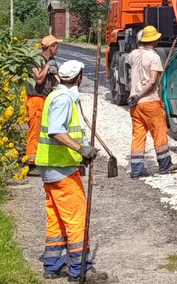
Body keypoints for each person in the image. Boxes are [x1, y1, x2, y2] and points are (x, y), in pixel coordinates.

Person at [35, 59, 108, 283]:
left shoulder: (54, 96)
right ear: (79, 78)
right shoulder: (64, 100)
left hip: (53, 169)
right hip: (62, 170)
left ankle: (53, 265)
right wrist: (82, 149)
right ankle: (79, 269)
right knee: (77, 219)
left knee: (56, 219)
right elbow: (57, 131)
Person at [126, 26, 177, 178]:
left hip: (135, 104)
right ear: (154, 40)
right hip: (149, 102)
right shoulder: (154, 57)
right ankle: (165, 165)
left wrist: (135, 96)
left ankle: (136, 170)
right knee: (159, 132)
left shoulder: (133, 54)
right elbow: (152, 81)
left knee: (138, 135)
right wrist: (140, 95)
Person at [26, 35, 60, 172]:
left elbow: (57, 80)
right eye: (56, 46)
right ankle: (31, 162)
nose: (58, 49)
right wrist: (47, 68)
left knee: (45, 132)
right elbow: (39, 79)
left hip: (47, 99)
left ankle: (43, 158)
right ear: (51, 47)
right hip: (36, 99)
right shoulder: (35, 60)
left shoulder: (52, 60)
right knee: (35, 130)